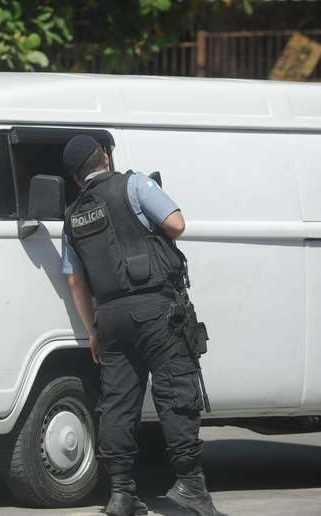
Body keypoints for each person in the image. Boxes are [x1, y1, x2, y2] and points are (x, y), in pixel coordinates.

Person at [60, 135, 224, 516]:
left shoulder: (72, 216)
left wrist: (93, 331)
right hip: (155, 309)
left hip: (111, 319)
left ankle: (121, 492)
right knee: (175, 391)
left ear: (75, 176)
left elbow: (74, 281)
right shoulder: (134, 184)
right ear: (104, 156)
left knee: (117, 403)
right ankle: (191, 485)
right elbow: (177, 224)